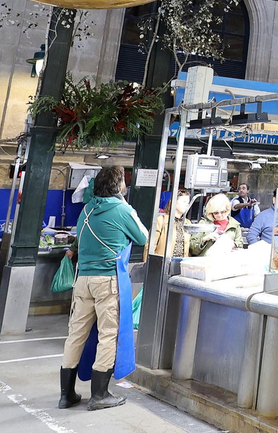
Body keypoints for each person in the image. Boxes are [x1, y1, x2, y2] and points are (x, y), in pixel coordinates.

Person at [60, 166, 147, 411]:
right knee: (108, 334)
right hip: (108, 281)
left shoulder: (87, 209)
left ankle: (66, 395)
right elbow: (142, 237)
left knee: (76, 333)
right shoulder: (122, 209)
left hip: (83, 280)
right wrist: (129, 208)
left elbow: (78, 240)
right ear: (119, 187)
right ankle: (99, 395)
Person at [148, 190, 191, 259]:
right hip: (162, 264)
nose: (186, 205)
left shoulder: (187, 223)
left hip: (180, 265)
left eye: (188, 203)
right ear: (174, 203)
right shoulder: (161, 220)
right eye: (184, 202)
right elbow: (150, 246)